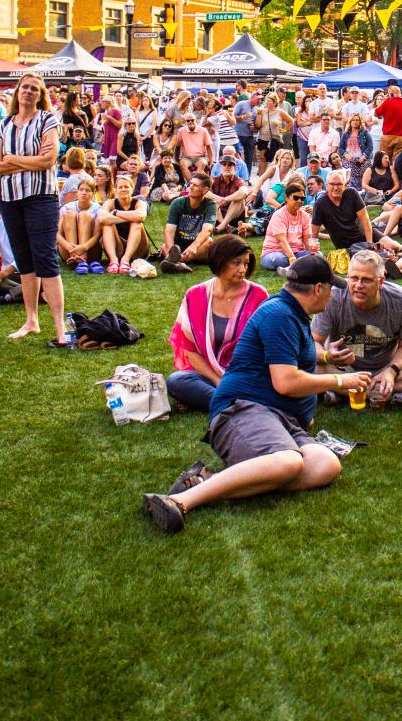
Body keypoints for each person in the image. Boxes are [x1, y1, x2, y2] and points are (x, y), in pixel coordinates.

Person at [143, 255, 371, 534]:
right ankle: (179, 500)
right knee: (289, 462)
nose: (333, 295)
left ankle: (211, 479)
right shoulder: (279, 314)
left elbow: (295, 357)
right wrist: (339, 380)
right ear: (318, 289)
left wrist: (326, 356)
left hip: (282, 419)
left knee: (325, 465)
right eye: (331, 288)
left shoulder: (293, 314)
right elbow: (285, 382)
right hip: (242, 410)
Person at [0, 73, 66, 345]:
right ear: (17, 91)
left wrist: (13, 159)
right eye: (25, 87)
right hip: (10, 198)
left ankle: (59, 329)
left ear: (40, 94)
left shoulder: (47, 120)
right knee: (24, 261)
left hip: (40, 197)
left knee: (46, 259)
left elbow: (49, 160)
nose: (29, 92)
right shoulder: (4, 124)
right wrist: (27, 161)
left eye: (35, 88)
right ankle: (31, 320)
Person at [311, 249, 402, 408]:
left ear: (380, 281)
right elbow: (314, 342)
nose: (358, 286)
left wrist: (391, 371)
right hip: (343, 369)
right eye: (354, 278)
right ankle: (392, 394)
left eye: (366, 280)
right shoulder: (333, 298)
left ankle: (343, 392)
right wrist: (327, 356)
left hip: (385, 367)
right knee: (310, 365)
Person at [167, 236, 268, 412]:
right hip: (209, 374)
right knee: (176, 380)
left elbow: (266, 346)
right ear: (219, 260)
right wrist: (217, 380)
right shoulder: (195, 295)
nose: (242, 269)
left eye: (245, 263)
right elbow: (189, 349)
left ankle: (217, 401)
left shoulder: (258, 295)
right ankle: (236, 404)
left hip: (247, 372)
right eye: (236, 263)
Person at [161, 173, 217, 272]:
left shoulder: (210, 205)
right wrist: (171, 250)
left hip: (198, 246)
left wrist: (194, 246)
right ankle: (178, 262)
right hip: (178, 245)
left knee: (209, 241)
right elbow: (169, 231)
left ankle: (174, 262)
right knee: (164, 246)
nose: (190, 187)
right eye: (190, 184)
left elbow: (207, 230)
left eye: (195, 185)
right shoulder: (177, 203)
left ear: (205, 190)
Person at [261, 177, 319, 270]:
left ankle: (294, 266)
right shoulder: (279, 215)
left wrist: (311, 248)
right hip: (274, 252)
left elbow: (307, 238)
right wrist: (291, 258)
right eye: (296, 198)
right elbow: (281, 240)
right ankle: (299, 264)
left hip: (297, 252)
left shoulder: (305, 216)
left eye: (302, 198)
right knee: (281, 259)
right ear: (286, 198)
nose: (300, 201)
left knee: (318, 256)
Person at [98, 171, 150, 273]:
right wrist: (130, 217)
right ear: (115, 189)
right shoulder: (110, 203)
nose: (123, 189)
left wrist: (116, 213)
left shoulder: (139, 202)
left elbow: (140, 216)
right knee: (107, 225)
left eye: (126, 187)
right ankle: (114, 261)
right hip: (118, 247)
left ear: (132, 188)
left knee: (136, 223)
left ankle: (125, 260)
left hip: (138, 249)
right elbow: (102, 218)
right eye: (120, 187)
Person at [311, 169, 373, 254]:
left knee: (394, 246)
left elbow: (365, 221)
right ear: (327, 185)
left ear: (345, 185)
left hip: (365, 237)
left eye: (339, 184)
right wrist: (314, 252)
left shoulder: (352, 193)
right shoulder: (320, 204)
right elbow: (314, 233)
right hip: (347, 247)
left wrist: (370, 244)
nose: (336, 188)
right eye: (332, 184)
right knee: (367, 260)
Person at [57, 179, 103, 272]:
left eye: (87, 190)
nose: (84, 193)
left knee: (84, 215)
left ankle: (82, 258)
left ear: (93, 194)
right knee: (70, 213)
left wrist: (83, 247)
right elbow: (57, 233)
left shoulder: (97, 208)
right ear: (77, 193)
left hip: (91, 251)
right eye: (81, 190)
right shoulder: (67, 207)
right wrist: (69, 247)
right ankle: (75, 257)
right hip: (69, 251)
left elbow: (97, 235)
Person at [207, 154, 249, 233]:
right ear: (221, 167)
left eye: (230, 165)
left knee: (240, 200)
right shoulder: (213, 180)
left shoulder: (239, 180)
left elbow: (244, 192)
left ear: (235, 168)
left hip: (234, 216)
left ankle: (222, 226)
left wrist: (226, 199)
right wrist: (218, 198)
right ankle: (226, 226)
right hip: (217, 215)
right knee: (211, 200)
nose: (226, 167)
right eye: (224, 164)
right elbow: (204, 192)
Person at [374, 81, 402, 162]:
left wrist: (383, 103)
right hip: (401, 138)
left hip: (387, 137)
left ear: (391, 94)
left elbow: (376, 113)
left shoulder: (387, 103)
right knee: (397, 162)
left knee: (384, 161)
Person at [174, 113, 214, 182]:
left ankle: (194, 183)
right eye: (188, 121)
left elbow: (208, 146)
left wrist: (211, 160)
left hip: (200, 157)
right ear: (185, 122)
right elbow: (177, 146)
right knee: (182, 164)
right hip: (186, 157)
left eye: (192, 120)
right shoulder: (181, 131)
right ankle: (191, 183)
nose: (190, 122)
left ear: (196, 120)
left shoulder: (203, 130)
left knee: (202, 163)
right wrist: (177, 159)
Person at [340, 113, 372, 191]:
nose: (355, 122)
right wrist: (345, 154)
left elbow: (370, 146)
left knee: (363, 181)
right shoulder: (345, 134)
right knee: (349, 182)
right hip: (349, 160)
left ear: (360, 122)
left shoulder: (365, 132)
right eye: (353, 120)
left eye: (357, 120)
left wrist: (364, 156)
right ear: (350, 122)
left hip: (362, 160)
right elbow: (341, 147)